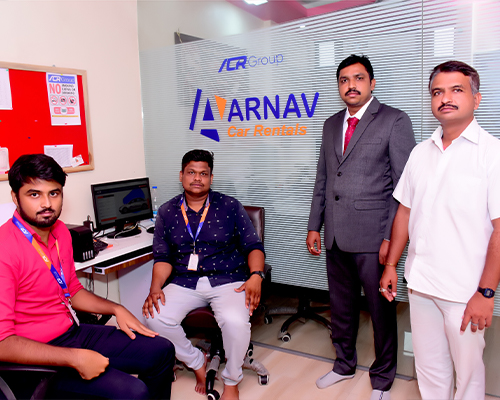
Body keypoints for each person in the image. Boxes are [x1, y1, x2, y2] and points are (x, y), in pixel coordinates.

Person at [0, 154, 175, 400]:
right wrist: (74, 357)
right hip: (34, 355)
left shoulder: (60, 231)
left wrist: (116, 308)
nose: (46, 204)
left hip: (71, 333)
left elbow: (72, 289)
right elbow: (3, 343)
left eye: (54, 193)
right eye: (34, 194)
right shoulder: (4, 248)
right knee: (133, 392)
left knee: (162, 350)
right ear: (15, 197)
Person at [380, 60, 500, 399]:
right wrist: (391, 265)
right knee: (430, 371)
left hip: (465, 293)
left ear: (476, 99)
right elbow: (404, 211)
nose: (445, 98)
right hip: (419, 285)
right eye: (437, 92)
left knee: (469, 377)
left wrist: (486, 293)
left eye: (456, 90)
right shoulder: (420, 152)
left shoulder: (493, 154)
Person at [306, 54, 416, 400]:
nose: (350, 85)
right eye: (343, 80)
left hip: (373, 237)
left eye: (358, 78)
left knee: (381, 311)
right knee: (341, 306)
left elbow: (405, 187)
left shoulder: (394, 120)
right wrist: (314, 225)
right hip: (336, 234)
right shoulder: (330, 123)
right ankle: (344, 364)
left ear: (371, 83)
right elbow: (323, 178)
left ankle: (383, 378)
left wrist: (390, 239)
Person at [142, 149, 265, 400]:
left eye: (203, 173)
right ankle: (197, 361)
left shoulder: (230, 206)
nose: (197, 178)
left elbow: (253, 246)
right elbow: (163, 258)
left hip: (228, 278)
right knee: (153, 317)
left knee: (235, 322)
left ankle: (232, 379)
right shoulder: (167, 212)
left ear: (210, 177)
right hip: (185, 281)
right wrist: (156, 288)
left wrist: (256, 275)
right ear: (181, 175)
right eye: (191, 172)